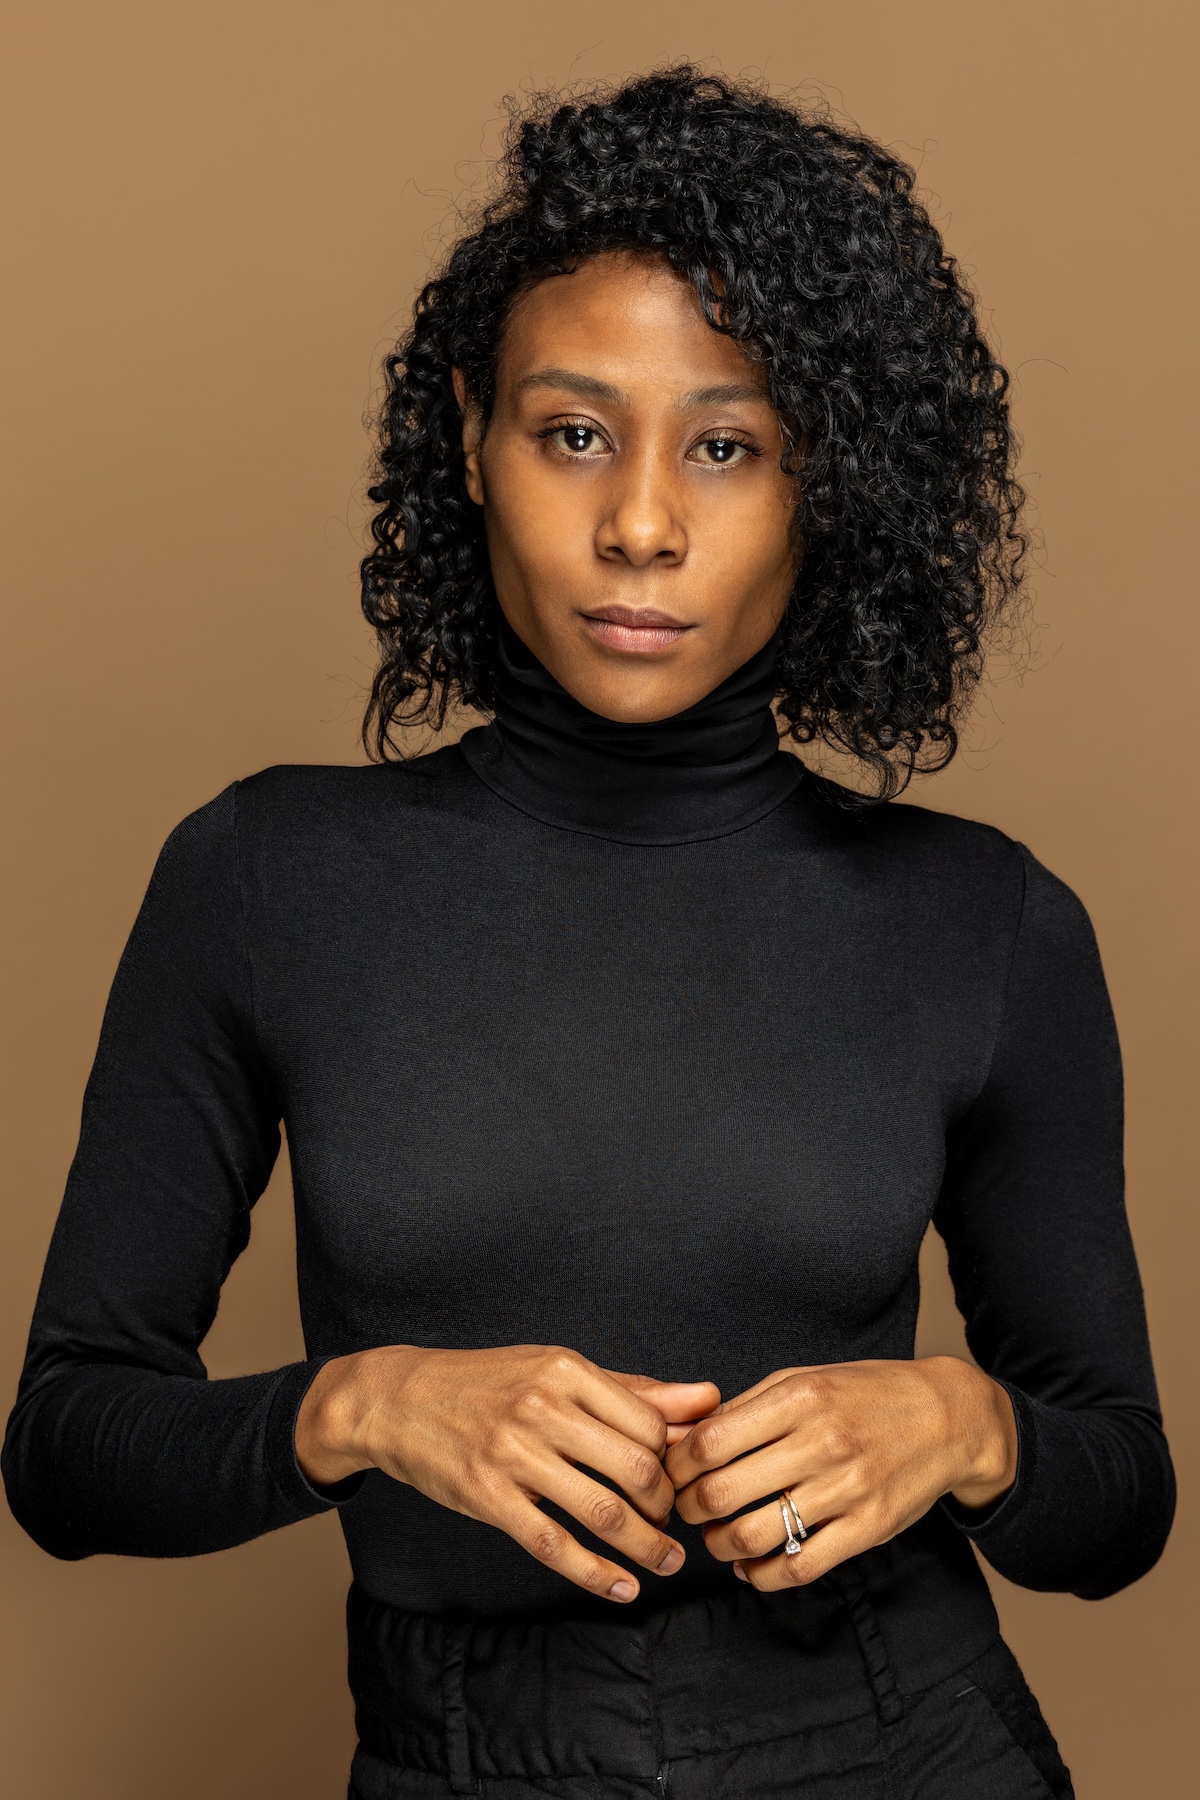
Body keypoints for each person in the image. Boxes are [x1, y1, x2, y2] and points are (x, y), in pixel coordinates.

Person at [3, 67, 1173, 1800]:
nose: (640, 523)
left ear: (825, 482)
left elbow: (1121, 1503)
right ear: (472, 435)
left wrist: (972, 1428)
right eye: (572, 434)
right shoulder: (267, 877)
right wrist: (356, 1407)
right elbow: (65, 1450)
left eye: (727, 446)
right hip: (458, 1752)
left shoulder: (983, 922)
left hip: (904, 1743)